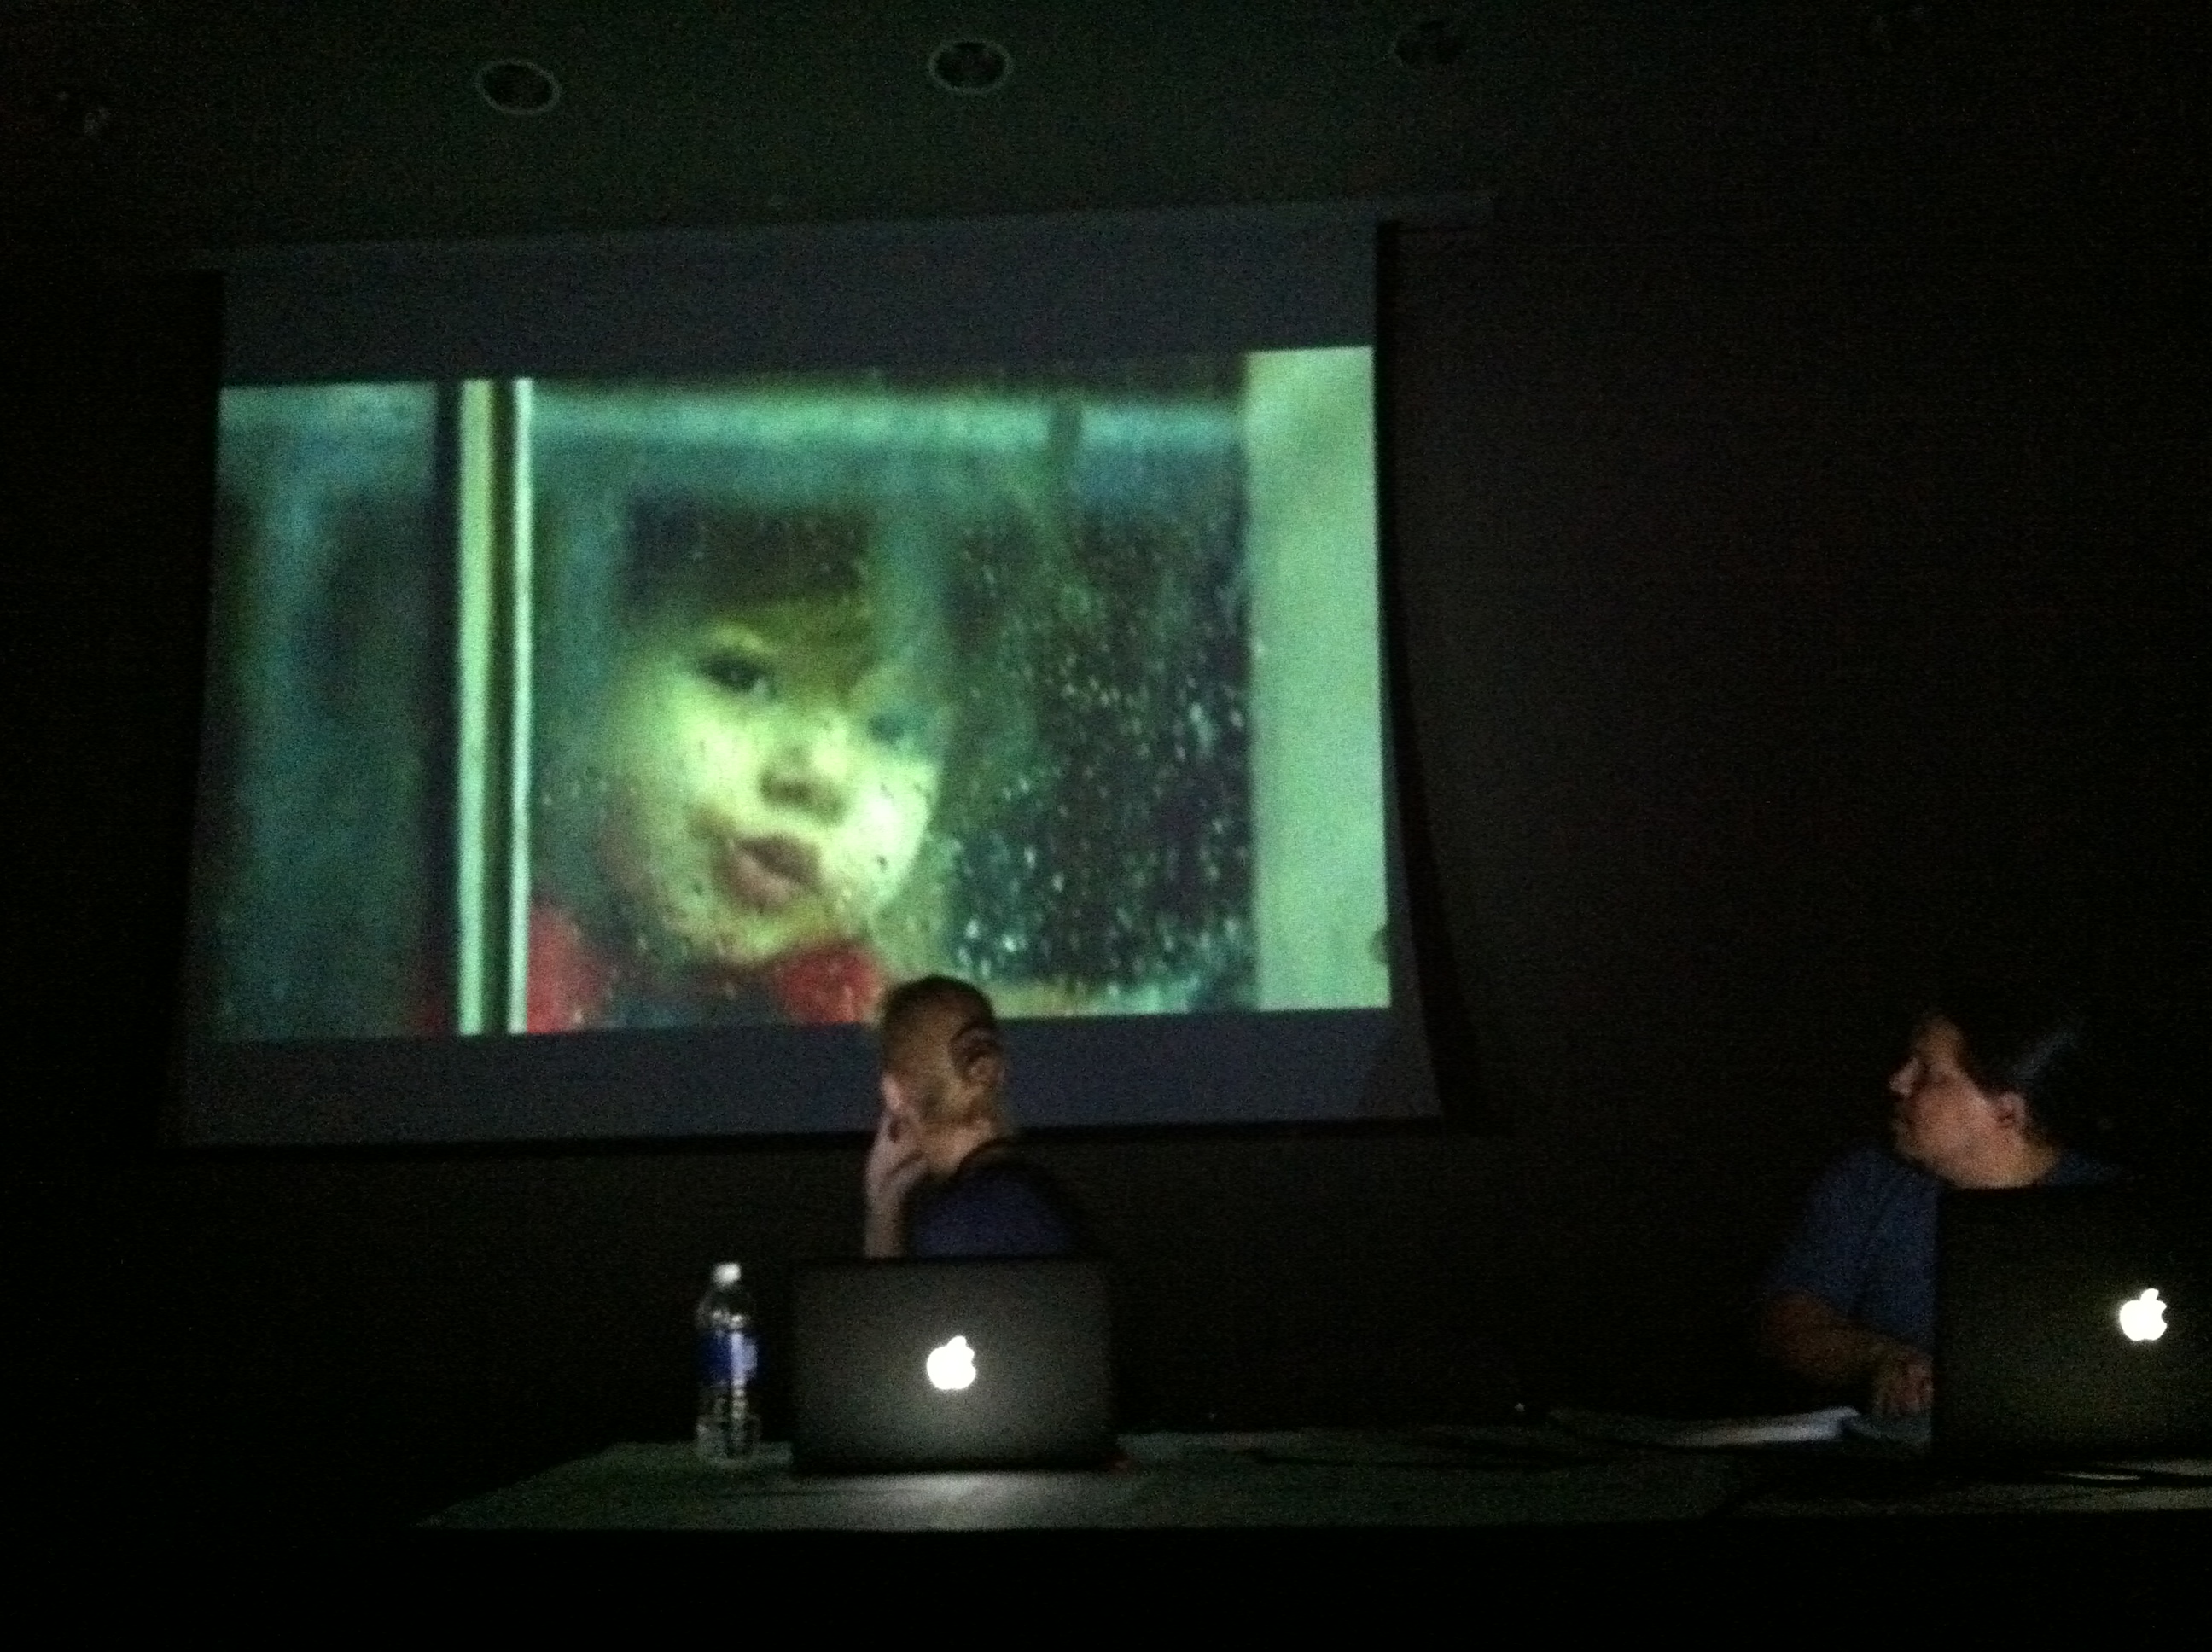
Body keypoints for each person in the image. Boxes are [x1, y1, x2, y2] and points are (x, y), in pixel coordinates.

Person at [1755, 996, 2117, 1416]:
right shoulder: (1869, 1183)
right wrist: (1881, 1360)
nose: (1898, 1082)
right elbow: (1785, 1320)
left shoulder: (2119, 1209)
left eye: (1926, 1073)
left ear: (2006, 1111)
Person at [862, 975, 1084, 1258]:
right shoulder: (1041, 1198)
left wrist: (881, 1206)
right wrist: (887, 1200)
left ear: (893, 1092)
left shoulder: (956, 1227)